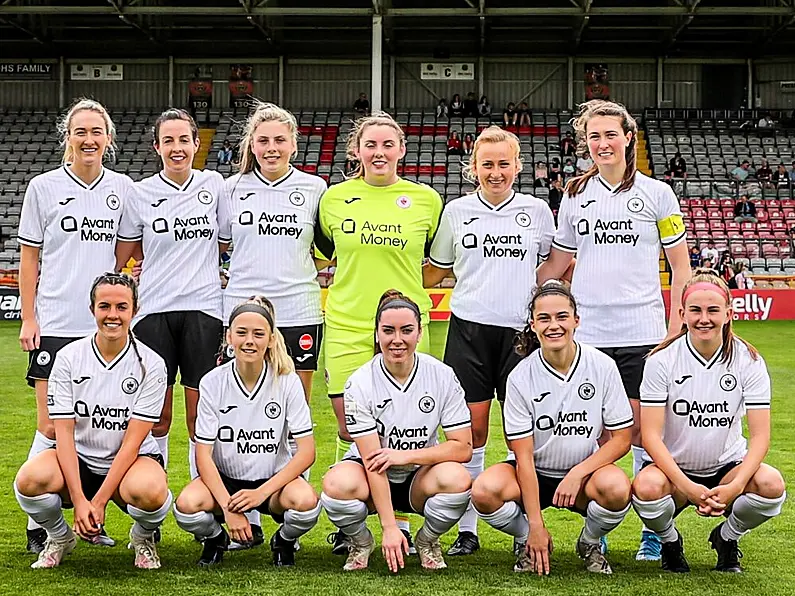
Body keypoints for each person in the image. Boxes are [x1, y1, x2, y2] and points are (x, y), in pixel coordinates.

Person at [537, 99, 691, 562]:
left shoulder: (659, 194)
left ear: (629, 137)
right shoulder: (575, 194)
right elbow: (558, 264)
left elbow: (680, 266)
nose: (602, 144)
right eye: (593, 137)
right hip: (589, 337)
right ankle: (597, 528)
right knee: (599, 435)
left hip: (644, 333)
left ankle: (652, 529)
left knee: (648, 436)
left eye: (610, 135)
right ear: (586, 143)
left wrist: (673, 326)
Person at [314, 111, 444, 551]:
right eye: (370, 145)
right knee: (351, 429)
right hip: (349, 323)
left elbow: (433, 263)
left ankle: (401, 521)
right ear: (356, 150)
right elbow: (320, 254)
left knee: (406, 425)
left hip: (406, 326)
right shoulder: (333, 199)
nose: (379, 152)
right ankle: (350, 526)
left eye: (388, 144)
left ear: (402, 150)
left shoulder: (426, 200)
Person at [424, 126, 555, 557]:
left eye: (503, 164)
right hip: (469, 331)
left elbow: (551, 270)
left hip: (521, 337)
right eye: (487, 164)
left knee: (523, 434)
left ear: (518, 166)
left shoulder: (537, 211)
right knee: (471, 431)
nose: (495, 172)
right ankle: (468, 529)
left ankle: (525, 528)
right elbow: (437, 269)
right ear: (473, 168)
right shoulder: (457, 211)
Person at [17, 98, 136, 553]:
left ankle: (97, 510)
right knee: (50, 426)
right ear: (67, 137)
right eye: (79, 132)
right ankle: (41, 525)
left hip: (102, 326)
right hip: (57, 321)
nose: (88, 140)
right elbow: (30, 257)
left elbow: (124, 252)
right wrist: (31, 316)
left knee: (103, 426)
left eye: (96, 132)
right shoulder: (42, 187)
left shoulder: (122, 188)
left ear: (108, 139)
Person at [472, 282, 634, 575]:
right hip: (533, 473)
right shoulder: (521, 377)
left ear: (576, 320)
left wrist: (578, 472)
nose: (554, 325)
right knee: (485, 490)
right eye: (544, 319)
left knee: (617, 488)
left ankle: (590, 542)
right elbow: (522, 457)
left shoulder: (602, 366)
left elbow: (622, 439)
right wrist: (535, 525)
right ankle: (526, 541)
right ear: (533, 325)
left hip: (584, 475)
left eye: (562, 316)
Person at [632, 271, 786, 573]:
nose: (704, 318)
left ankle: (727, 537)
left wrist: (737, 485)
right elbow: (649, 436)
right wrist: (687, 486)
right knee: (646, 487)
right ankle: (669, 541)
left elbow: (760, 438)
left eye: (713, 310)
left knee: (771, 485)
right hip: (673, 471)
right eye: (696, 310)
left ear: (729, 314)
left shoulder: (748, 360)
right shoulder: (661, 361)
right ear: (682, 313)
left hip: (727, 469)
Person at [14, 273, 170, 569]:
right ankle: (60, 537)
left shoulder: (151, 364)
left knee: (152, 491)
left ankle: (142, 537)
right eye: (105, 306)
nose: (113, 315)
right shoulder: (69, 357)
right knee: (28, 480)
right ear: (92, 310)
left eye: (122, 307)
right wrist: (79, 498)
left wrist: (98, 502)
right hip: (79, 460)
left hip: (129, 462)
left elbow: (132, 443)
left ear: (135, 311)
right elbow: (63, 434)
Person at [320, 291, 473, 572]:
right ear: (377, 334)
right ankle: (361, 542)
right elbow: (372, 462)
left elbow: (463, 447)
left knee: (458, 478)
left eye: (406, 330)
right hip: (370, 475)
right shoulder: (360, 382)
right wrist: (389, 528)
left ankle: (427, 540)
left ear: (419, 333)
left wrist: (404, 456)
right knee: (335, 484)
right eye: (388, 330)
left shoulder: (441, 375)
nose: (397, 339)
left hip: (419, 475)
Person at [116, 108, 227, 486]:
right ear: (156, 147)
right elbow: (125, 253)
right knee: (157, 415)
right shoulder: (140, 193)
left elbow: (228, 241)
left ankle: (205, 494)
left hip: (204, 311)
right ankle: (155, 497)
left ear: (197, 143)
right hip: (154, 313)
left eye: (184, 140)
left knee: (199, 416)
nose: (177, 148)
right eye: (168, 141)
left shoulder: (214, 185)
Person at [173, 297, 321, 567]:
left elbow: (307, 452)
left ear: (272, 339)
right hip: (226, 481)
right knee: (186, 507)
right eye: (241, 333)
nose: (249, 340)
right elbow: (203, 454)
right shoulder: (213, 382)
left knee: (306, 503)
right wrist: (229, 508)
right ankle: (215, 538)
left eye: (258, 334)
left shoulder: (287, 382)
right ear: (229, 336)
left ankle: (284, 540)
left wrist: (260, 494)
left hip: (273, 485)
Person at [220, 102, 327, 400]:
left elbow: (330, 249)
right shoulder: (230, 188)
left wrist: (298, 270)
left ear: (293, 144)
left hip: (298, 309)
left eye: (279, 140)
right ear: (252, 145)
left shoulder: (315, 188)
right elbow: (214, 244)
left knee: (296, 404)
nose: (272, 148)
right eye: (263, 141)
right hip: (241, 309)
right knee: (240, 401)